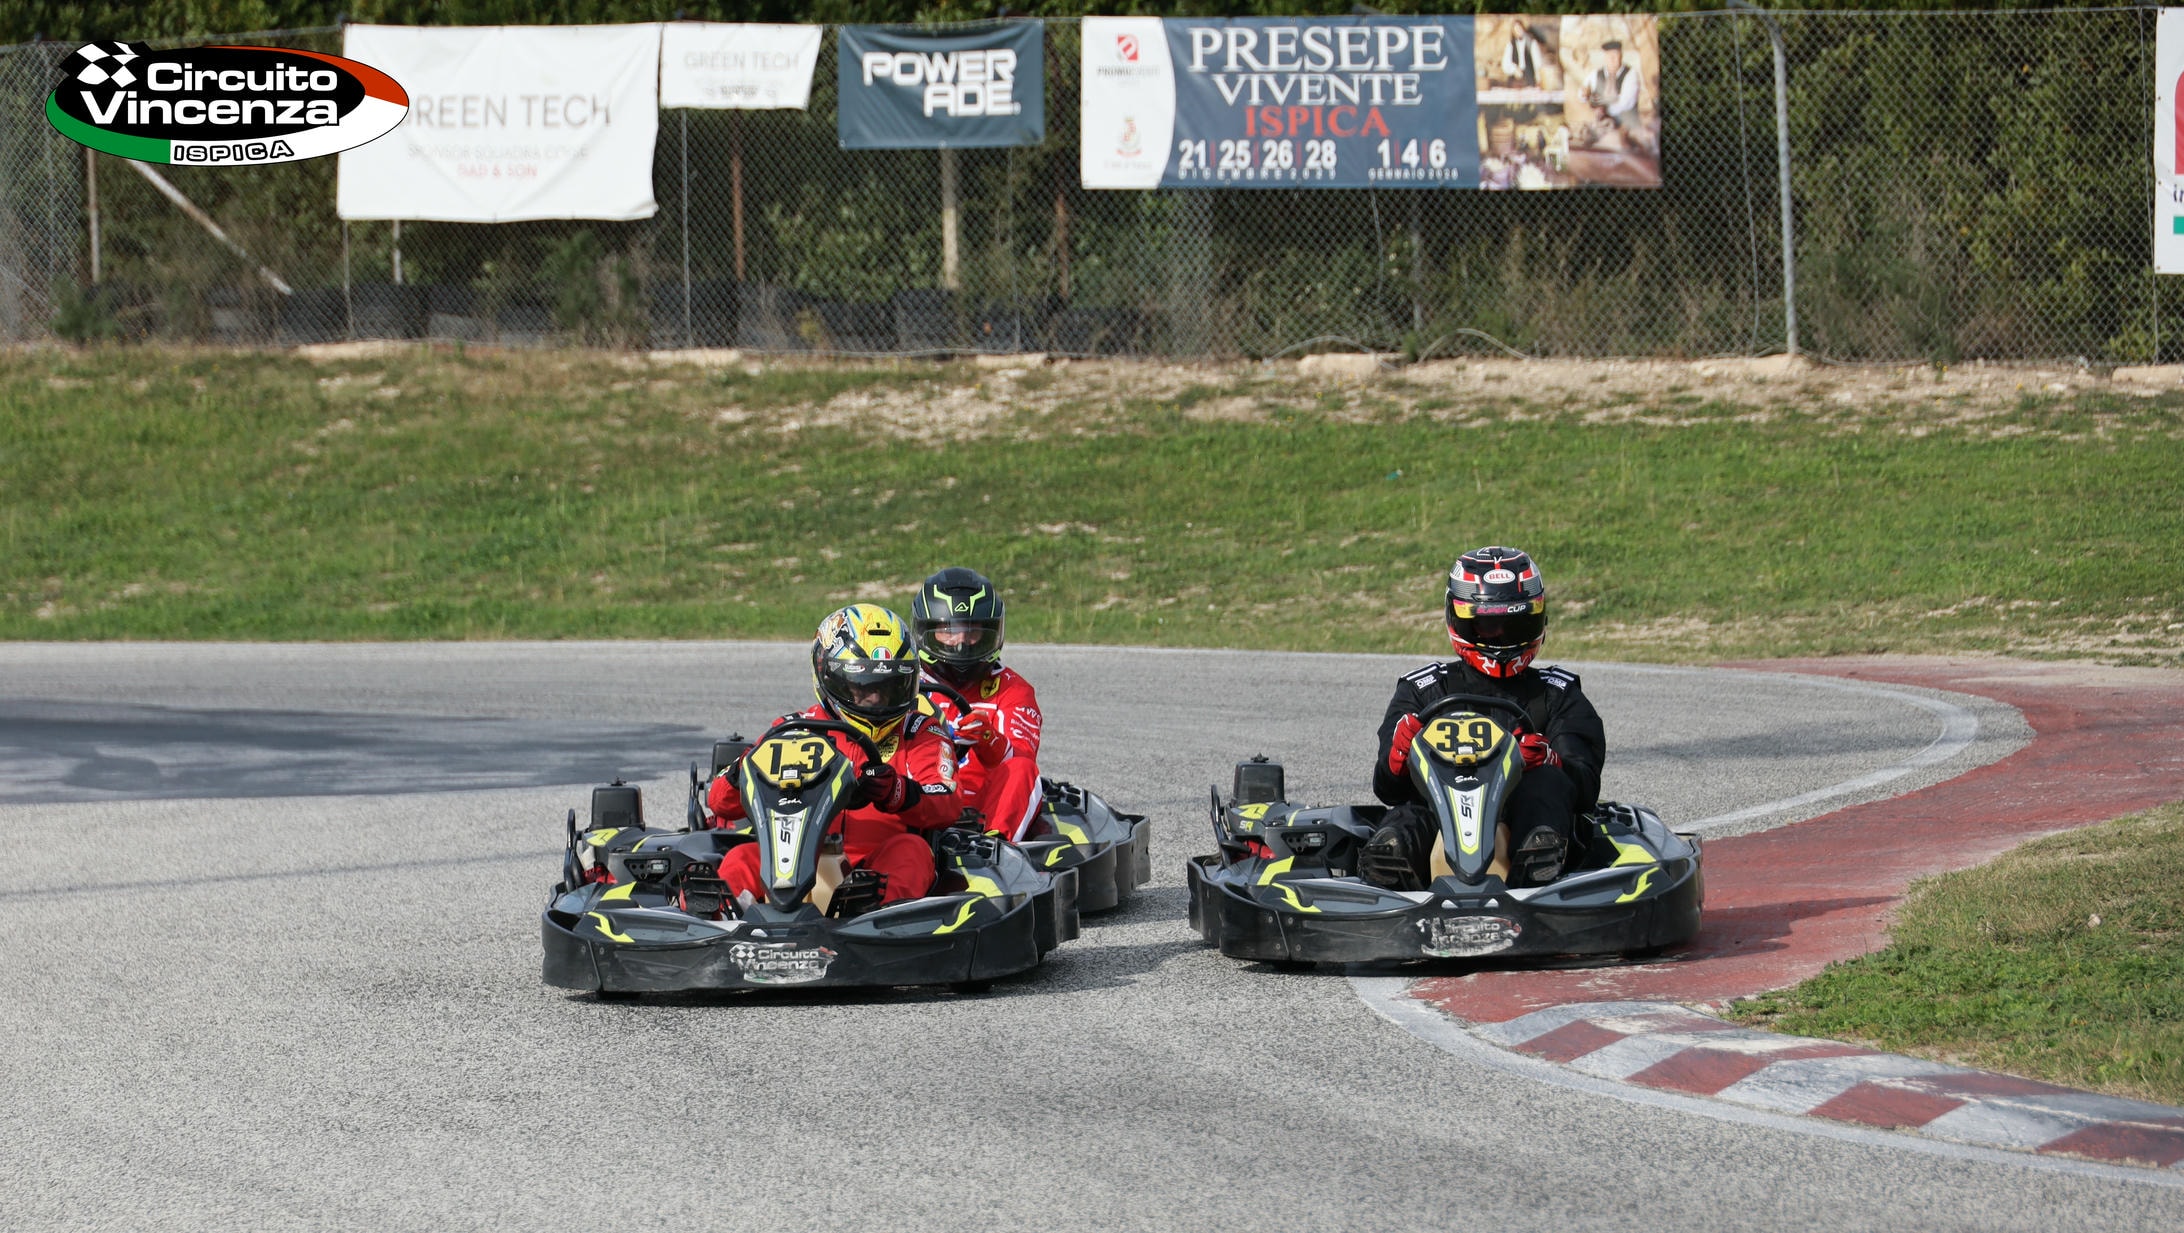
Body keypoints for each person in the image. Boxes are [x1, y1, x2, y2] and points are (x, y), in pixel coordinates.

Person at [1360, 546, 1606, 890]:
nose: (1501, 637)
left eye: (1515, 624)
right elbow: (1387, 789)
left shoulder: (1556, 693)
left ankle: (1537, 860)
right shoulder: (1423, 691)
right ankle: (1391, 862)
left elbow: (1585, 786)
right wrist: (1397, 757)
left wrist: (1551, 760)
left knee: (1546, 785)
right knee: (1411, 812)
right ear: (1459, 619)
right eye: (1488, 625)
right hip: (1442, 815)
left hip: (1522, 818)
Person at [706, 604, 961, 908]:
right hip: (794, 858)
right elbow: (719, 802)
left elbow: (947, 801)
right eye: (862, 686)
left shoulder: (919, 732)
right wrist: (743, 771)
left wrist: (896, 791)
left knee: (912, 850)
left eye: (888, 687)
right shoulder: (794, 730)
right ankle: (719, 915)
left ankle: (874, 917)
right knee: (742, 857)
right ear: (829, 676)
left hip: (875, 865)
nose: (875, 698)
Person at [910, 567, 1045, 841]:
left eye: (972, 632)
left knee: (1022, 769)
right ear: (926, 631)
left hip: (979, 810)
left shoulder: (1012, 689)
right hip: (916, 798)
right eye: (949, 631)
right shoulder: (903, 685)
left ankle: (994, 848)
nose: (961, 643)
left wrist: (988, 740)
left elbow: (1022, 760)